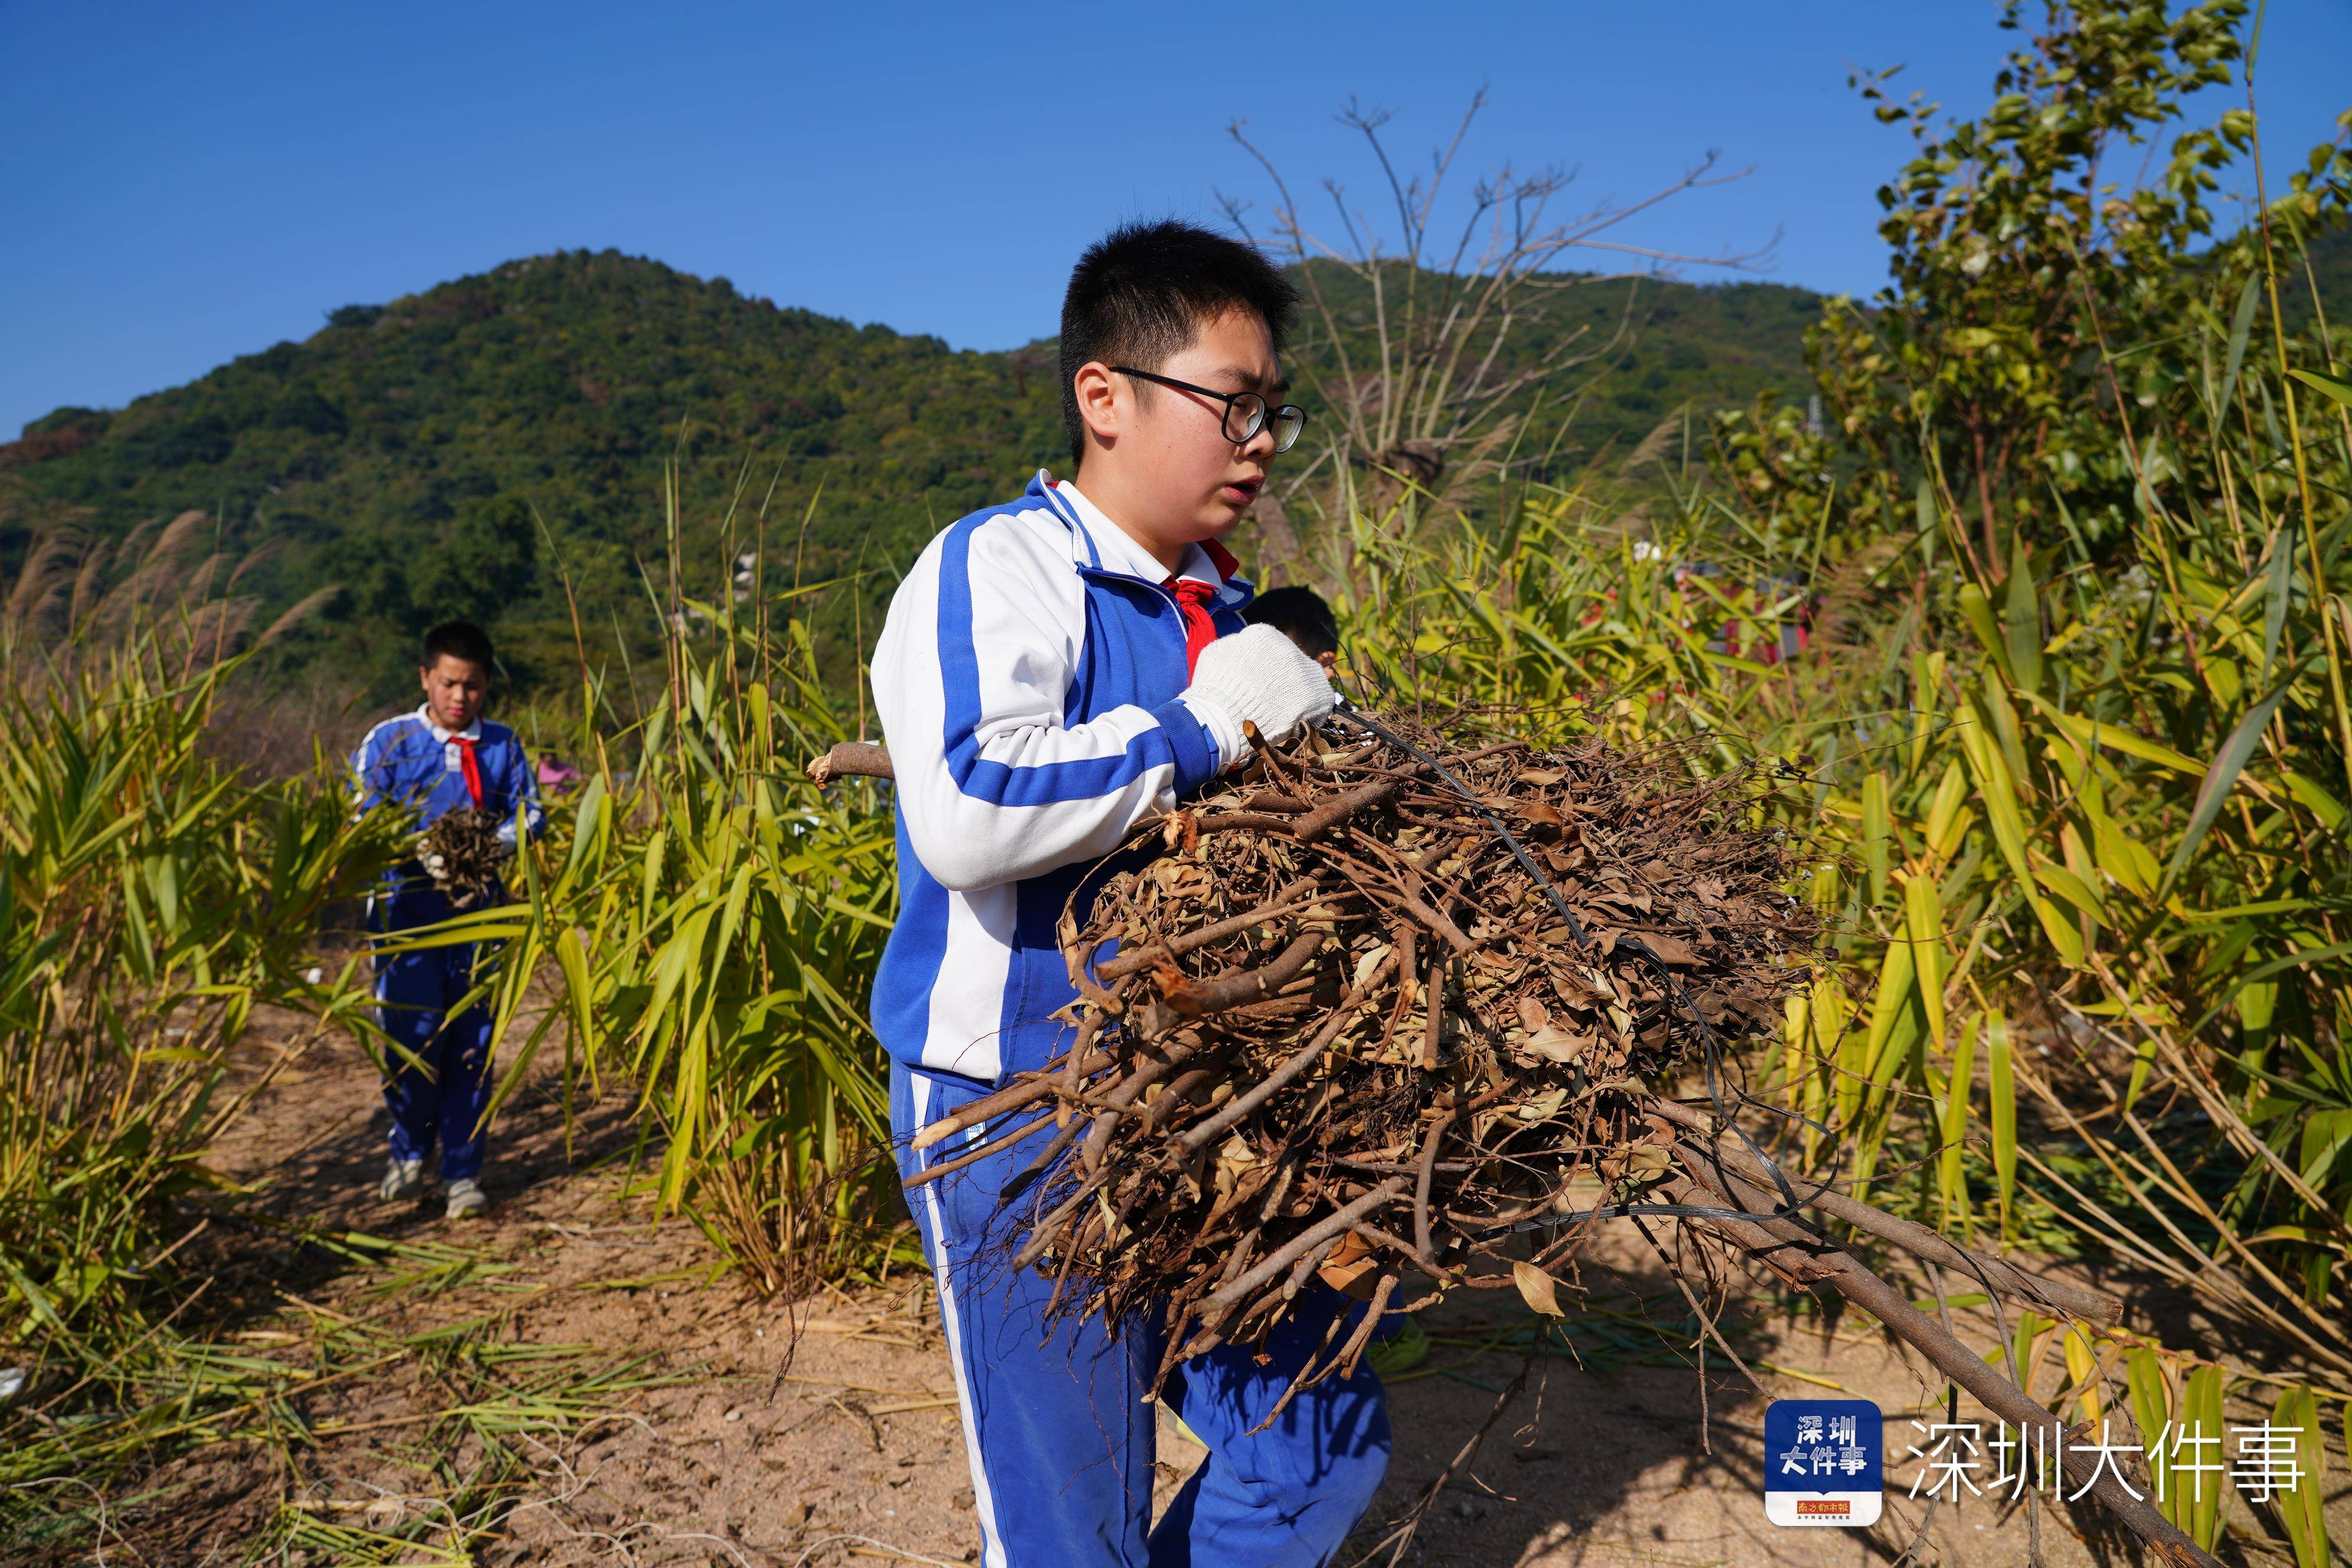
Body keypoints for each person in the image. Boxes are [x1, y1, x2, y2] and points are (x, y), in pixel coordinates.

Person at [870, 220, 1385, 1568]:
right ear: (1107, 396)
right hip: (1015, 1113)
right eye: (1235, 402)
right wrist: (1203, 731)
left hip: (1205, 1107)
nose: (1264, 437)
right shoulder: (998, 569)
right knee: (1070, 1521)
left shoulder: (1229, 607)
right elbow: (974, 803)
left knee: (1314, 1439)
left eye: (1277, 408)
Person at [352, 619, 543, 1220]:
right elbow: (363, 814)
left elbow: (530, 814)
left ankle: (463, 1171)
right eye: (451, 683)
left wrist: (493, 846)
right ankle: (408, 1156)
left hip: (479, 922)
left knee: (472, 1043)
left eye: (475, 686)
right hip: (407, 920)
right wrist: (421, 848)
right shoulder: (388, 741)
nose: (461, 698)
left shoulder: (504, 745)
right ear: (426, 678)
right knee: (410, 1039)